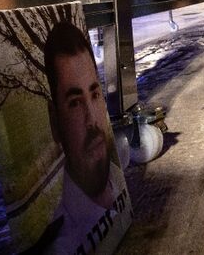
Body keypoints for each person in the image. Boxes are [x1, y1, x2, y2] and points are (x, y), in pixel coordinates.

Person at [41, 22, 131, 255]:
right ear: (54, 121)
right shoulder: (63, 245)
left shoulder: (119, 183)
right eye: (75, 103)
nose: (92, 120)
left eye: (95, 94)